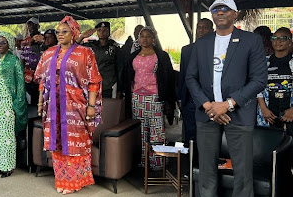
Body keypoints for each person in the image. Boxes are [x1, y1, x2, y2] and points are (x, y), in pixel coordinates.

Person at [186, 0, 267, 197]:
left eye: (225, 9)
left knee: (242, 170)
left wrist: (228, 104)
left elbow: (258, 80)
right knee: (208, 166)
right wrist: (210, 106)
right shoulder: (202, 44)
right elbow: (191, 78)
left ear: (234, 14)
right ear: (212, 16)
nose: (219, 12)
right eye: (215, 9)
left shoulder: (251, 41)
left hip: (238, 114)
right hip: (207, 114)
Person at [34, 16, 102, 194]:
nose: (60, 35)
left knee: (74, 143)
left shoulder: (85, 53)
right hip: (53, 107)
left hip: (75, 107)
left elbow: (94, 81)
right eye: (58, 32)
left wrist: (92, 106)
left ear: (73, 33)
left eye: (65, 31)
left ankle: (74, 182)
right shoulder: (48, 53)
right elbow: (42, 80)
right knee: (56, 142)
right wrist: (40, 103)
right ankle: (61, 180)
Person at [124, 27, 176, 170]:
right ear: (138, 39)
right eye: (142, 36)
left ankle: (157, 162)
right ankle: (142, 161)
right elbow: (127, 77)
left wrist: (170, 100)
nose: (145, 39)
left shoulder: (161, 56)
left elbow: (169, 78)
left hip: (155, 98)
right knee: (141, 132)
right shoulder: (132, 56)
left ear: (154, 39)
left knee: (156, 131)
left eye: (148, 36)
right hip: (137, 99)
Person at [0, 32, 28, 178]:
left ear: (9, 44)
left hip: (8, 101)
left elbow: (20, 83)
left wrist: (18, 103)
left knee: (7, 134)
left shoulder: (13, 60)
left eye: (3, 42)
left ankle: (8, 166)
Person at [178, 19, 214, 146]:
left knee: (208, 135)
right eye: (199, 27)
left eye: (205, 27)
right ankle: (191, 162)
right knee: (190, 133)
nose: (201, 30)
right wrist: (180, 99)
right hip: (190, 100)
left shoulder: (218, 49)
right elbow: (183, 75)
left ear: (212, 30)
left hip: (211, 100)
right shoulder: (186, 50)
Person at [256, 27, 293, 135]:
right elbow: (258, 86)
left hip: (289, 111)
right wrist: (263, 109)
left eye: (283, 38)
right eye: (275, 38)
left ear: (290, 42)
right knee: (268, 144)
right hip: (269, 111)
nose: (278, 41)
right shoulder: (264, 62)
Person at [78, 21, 124, 98]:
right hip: (92, 85)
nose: (102, 32)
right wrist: (82, 36)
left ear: (109, 32)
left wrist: (120, 89)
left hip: (108, 86)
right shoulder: (91, 45)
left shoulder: (114, 47)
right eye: (99, 30)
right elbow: (73, 49)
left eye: (105, 30)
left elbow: (120, 69)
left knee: (108, 108)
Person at [20, 17, 45, 104]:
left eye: (33, 25)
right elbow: (23, 56)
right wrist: (22, 70)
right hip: (27, 73)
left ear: (38, 26)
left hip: (39, 72)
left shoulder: (42, 38)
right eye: (29, 25)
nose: (31, 27)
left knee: (39, 96)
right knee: (29, 95)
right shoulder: (24, 40)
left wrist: (33, 42)